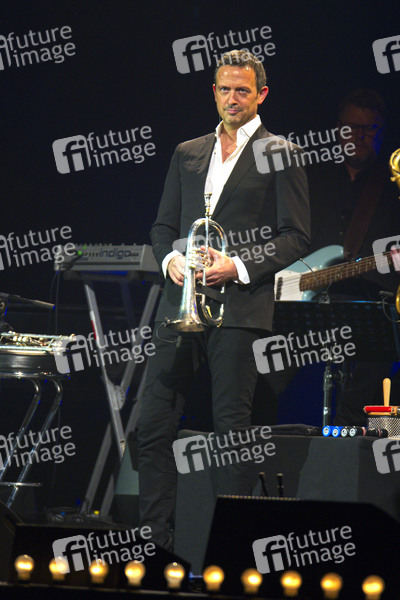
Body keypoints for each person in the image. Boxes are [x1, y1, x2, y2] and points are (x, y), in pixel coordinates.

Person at [136, 50, 310, 551]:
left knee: (231, 434)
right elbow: (163, 228)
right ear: (213, 92)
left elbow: (296, 236)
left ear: (261, 95)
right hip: (181, 306)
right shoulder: (187, 152)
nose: (232, 99)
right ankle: (154, 546)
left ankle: (229, 554)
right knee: (152, 426)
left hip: (239, 309)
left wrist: (236, 265)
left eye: (242, 90)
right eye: (224, 89)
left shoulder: (280, 151)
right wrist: (173, 260)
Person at [304, 88, 400, 425]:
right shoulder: (310, 177)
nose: (358, 136)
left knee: (376, 374)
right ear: (337, 129)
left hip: (374, 306)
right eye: (351, 128)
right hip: (306, 304)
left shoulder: (392, 185)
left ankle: (360, 436)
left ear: (381, 132)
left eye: (368, 129)